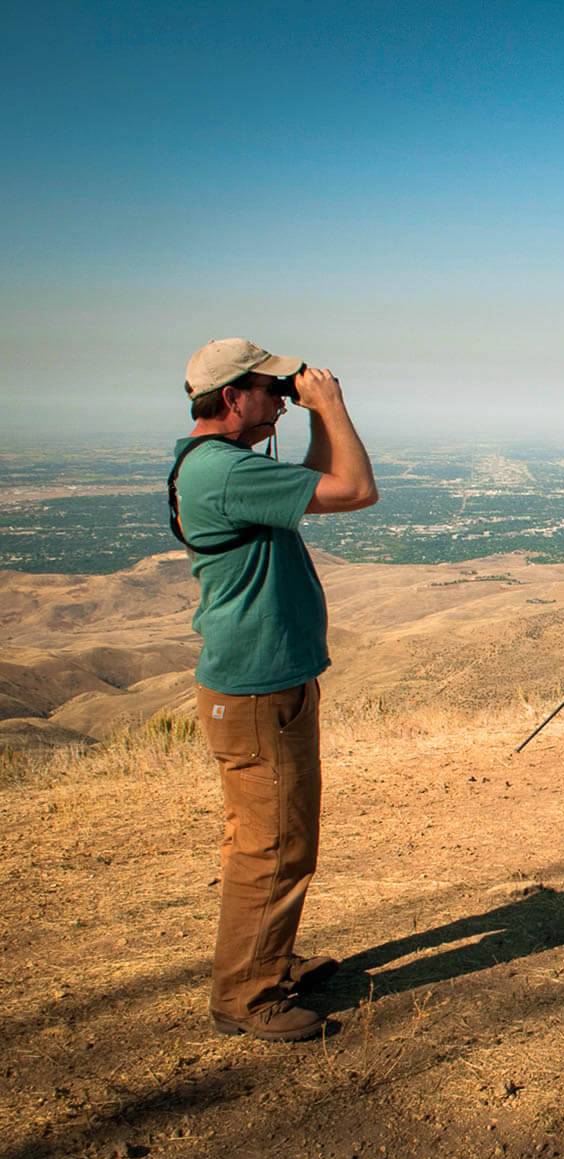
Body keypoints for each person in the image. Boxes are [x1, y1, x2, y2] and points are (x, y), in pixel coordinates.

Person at [172, 338, 378, 1041]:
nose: (282, 398)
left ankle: (267, 959)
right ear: (233, 398)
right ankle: (248, 998)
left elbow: (318, 480)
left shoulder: (219, 467)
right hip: (259, 691)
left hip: (263, 685)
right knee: (275, 848)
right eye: (271, 387)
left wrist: (312, 413)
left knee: (270, 840)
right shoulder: (223, 472)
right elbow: (355, 489)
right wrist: (333, 405)